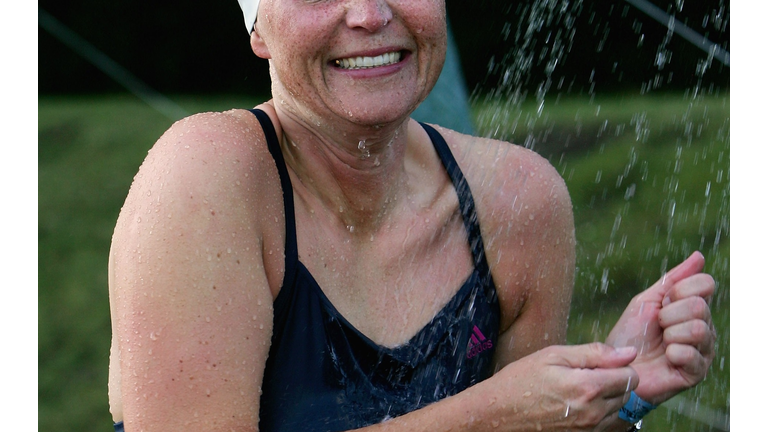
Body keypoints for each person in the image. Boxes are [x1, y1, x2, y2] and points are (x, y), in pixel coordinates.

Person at [107, 1, 716, 431]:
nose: (370, 15)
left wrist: (615, 391)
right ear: (259, 27)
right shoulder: (209, 181)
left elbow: (528, 425)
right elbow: (506, 419)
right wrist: (492, 416)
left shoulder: (517, 200)